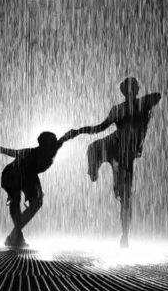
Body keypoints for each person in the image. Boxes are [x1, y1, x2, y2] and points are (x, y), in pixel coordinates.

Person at [69, 77, 162, 247]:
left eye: (132, 88)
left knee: (126, 197)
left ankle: (125, 235)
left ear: (135, 90)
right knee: (93, 148)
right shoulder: (120, 109)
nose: (129, 92)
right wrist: (80, 130)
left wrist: (143, 104)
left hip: (126, 153)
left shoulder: (140, 104)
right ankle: (94, 170)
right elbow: (99, 128)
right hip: (115, 144)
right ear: (124, 92)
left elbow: (158, 96)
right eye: (127, 89)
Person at [0, 129, 80, 248]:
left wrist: (85, 130)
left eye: (52, 143)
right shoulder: (30, 153)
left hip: (29, 176)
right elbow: (3, 150)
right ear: (41, 144)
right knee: (16, 201)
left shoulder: (54, 147)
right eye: (47, 144)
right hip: (12, 173)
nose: (49, 147)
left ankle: (14, 235)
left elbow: (69, 135)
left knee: (37, 203)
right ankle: (15, 236)